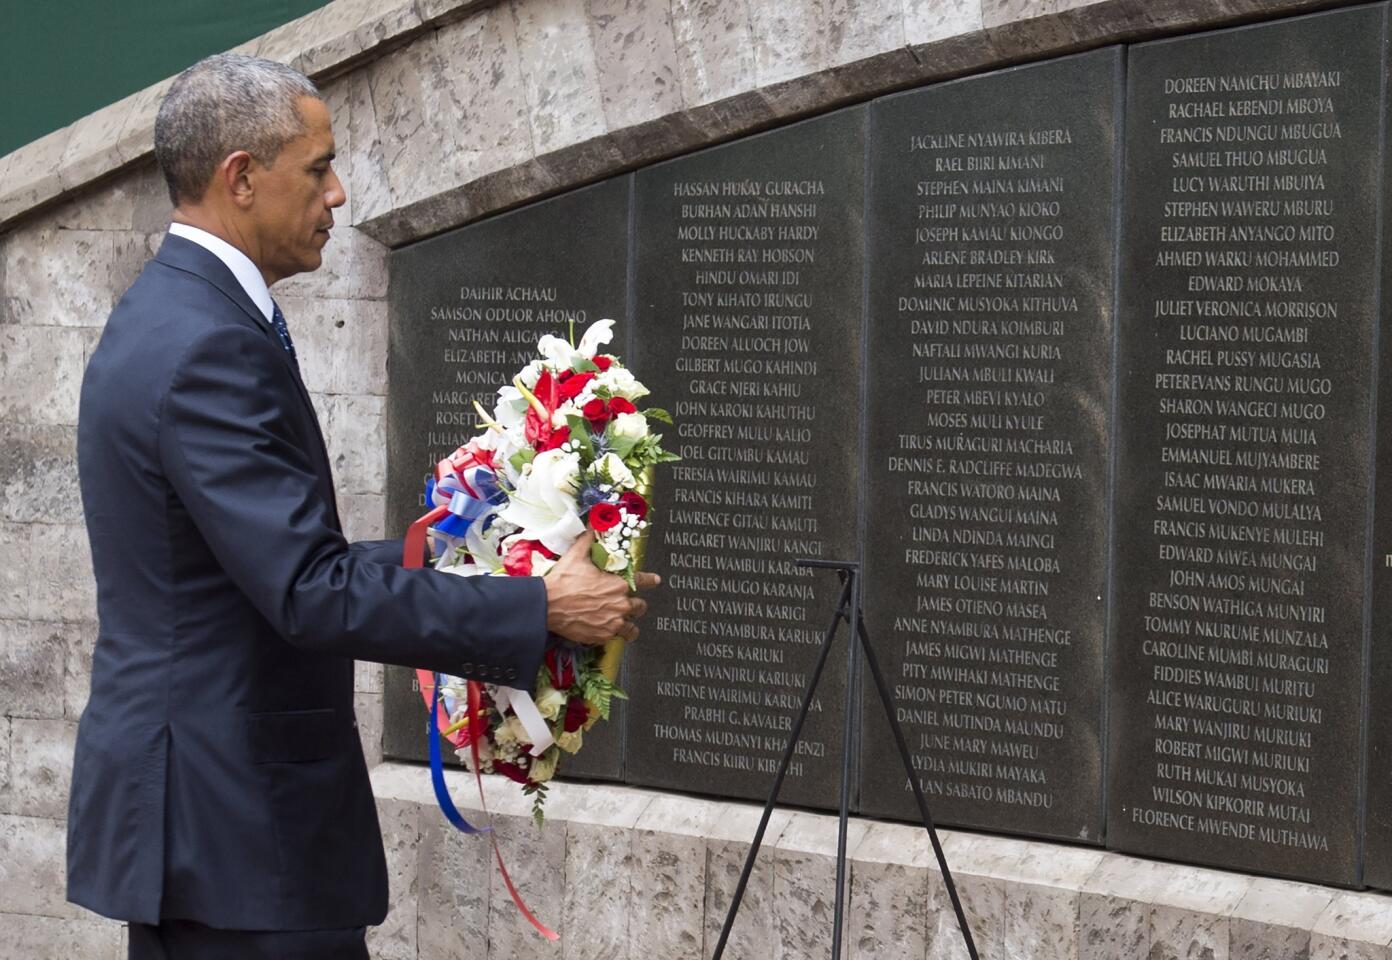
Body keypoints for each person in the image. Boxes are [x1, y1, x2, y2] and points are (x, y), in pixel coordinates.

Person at [66, 52, 656, 959]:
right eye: (318, 168)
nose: (338, 194)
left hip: (213, 828)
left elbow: (248, 569)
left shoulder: (175, 314)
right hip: (239, 832)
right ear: (242, 177)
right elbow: (307, 590)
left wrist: (487, 554)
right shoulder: (205, 346)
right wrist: (538, 606)